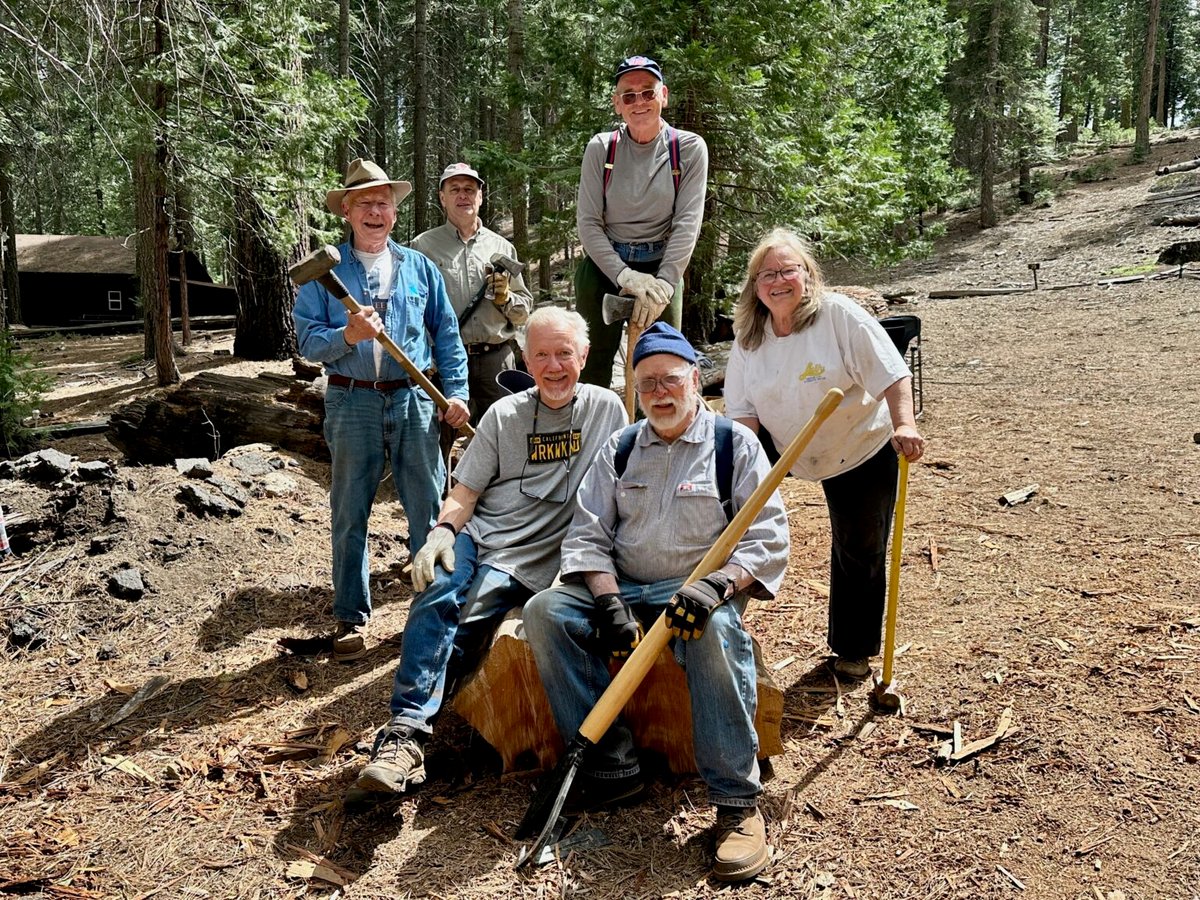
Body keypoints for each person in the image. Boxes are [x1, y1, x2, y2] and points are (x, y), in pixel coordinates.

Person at [524, 322, 788, 883]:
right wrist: (609, 602)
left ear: (695, 378)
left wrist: (718, 587)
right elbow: (588, 535)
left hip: (698, 592)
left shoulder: (732, 444)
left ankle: (737, 802)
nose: (660, 393)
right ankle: (611, 764)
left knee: (716, 634)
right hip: (627, 588)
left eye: (671, 379)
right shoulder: (620, 448)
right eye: (647, 385)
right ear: (635, 392)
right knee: (545, 612)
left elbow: (765, 536)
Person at [355, 307, 628, 794]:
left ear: (584, 356)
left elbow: (624, 487)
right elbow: (466, 492)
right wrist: (441, 531)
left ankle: (418, 729)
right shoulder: (505, 415)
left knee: (470, 621)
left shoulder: (607, 409)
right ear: (525, 357)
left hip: (536, 559)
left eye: (564, 353)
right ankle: (403, 735)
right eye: (541, 354)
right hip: (480, 537)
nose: (553, 366)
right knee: (438, 592)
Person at [723, 227, 926, 680]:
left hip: (856, 443)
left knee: (860, 545)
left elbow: (892, 375)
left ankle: (853, 648)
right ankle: (718, 627)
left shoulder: (838, 316)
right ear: (755, 286)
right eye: (766, 273)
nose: (778, 280)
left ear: (808, 275)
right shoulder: (750, 335)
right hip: (784, 444)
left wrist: (905, 424)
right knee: (729, 518)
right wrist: (743, 473)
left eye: (787, 270)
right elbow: (743, 414)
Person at [293, 158, 471, 662]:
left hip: (413, 399)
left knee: (429, 509)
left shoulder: (419, 268)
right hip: (351, 401)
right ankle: (350, 618)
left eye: (384, 203)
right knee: (350, 512)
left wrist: (455, 392)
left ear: (395, 212)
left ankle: (431, 611)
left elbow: (447, 336)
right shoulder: (324, 275)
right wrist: (346, 335)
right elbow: (308, 340)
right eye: (364, 203)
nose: (375, 211)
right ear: (346, 211)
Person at [575, 55, 709, 388]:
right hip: (605, 267)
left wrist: (663, 284)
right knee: (590, 365)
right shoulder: (601, 149)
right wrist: (624, 275)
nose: (639, 102)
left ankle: (658, 435)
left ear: (663, 95)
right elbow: (589, 223)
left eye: (648, 92)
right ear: (617, 104)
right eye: (629, 95)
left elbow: (687, 223)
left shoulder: (689, 149)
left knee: (664, 365)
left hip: (662, 265)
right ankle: (597, 434)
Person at [411, 162, 534, 422]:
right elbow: (412, 310)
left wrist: (506, 298)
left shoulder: (502, 246)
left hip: (496, 360)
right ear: (442, 198)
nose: (463, 195)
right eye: (454, 189)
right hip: (446, 361)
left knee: (504, 438)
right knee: (440, 439)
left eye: (469, 189)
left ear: (480, 197)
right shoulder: (423, 247)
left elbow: (523, 312)